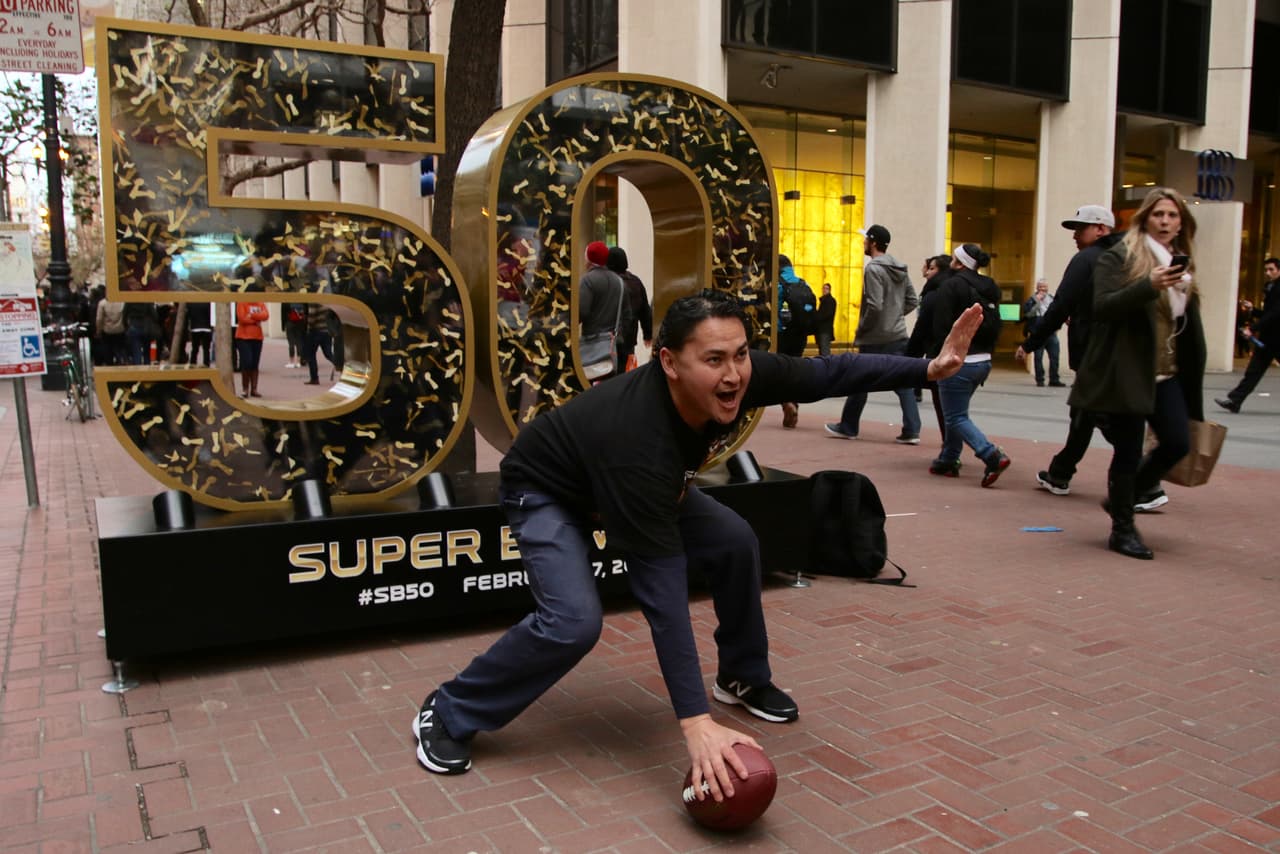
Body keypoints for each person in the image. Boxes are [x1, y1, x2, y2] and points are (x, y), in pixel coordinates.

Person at [412, 291, 984, 795]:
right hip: (548, 489)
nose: (733, 374)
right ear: (669, 362)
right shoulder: (637, 439)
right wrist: (694, 722)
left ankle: (742, 675)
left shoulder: (743, 374)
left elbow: (832, 373)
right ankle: (451, 710)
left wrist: (927, 369)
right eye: (713, 360)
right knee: (572, 623)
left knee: (735, 540)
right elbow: (662, 596)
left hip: (635, 484)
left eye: (739, 354)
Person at [1070, 187, 1205, 560]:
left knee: (1178, 441)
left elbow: (1187, 322)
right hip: (1127, 370)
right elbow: (1103, 306)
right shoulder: (1122, 256)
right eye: (1158, 214)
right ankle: (1123, 529)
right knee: (1128, 451)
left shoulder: (1181, 260)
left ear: (1181, 222)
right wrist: (1149, 285)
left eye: (1172, 215)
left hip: (1167, 370)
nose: (1165, 222)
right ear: (1146, 218)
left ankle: (1122, 499)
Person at [1017, 204, 1121, 496]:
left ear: (1100, 229)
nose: (1074, 235)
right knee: (1084, 415)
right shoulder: (1126, 258)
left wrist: (1030, 342)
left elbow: (1061, 304)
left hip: (1093, 352)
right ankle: (1060, 472)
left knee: (1104, 419)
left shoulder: (1086, 260)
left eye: (1080, 228)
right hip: (1117, 352)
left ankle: (1145, 482)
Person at [824, 225, 920, 443]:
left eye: (866, 239)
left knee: (858, 379)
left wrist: (863, 328)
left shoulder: (873, 269)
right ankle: (912, 430)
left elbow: (875, 305)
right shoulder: (900, 269)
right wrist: (895, 316)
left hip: (875, 337)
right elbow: (912, 300)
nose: (863, 243)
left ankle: (848, 426)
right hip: (897, 334)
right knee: (902, 382)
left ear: (873, 243)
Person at [926, 244, 1010, 486]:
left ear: (959, 262)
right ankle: (948, 458)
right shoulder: (990, 286)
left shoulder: (951, 286)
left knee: (955, 416)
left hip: (958, 360)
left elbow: (941, 327)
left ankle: (991, 455)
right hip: (983, 360)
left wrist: (938, 359)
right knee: (956, 411)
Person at [1216, 257, 1280, 413]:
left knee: (1254, 371)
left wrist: (1252, 328)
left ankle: (1235, 400)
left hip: (1278, 339)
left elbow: (1275, 314)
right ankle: (1235, 401)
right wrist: (1253, 310)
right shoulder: (1270, 286)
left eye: (1271, 269)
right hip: (1267, 339)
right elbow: (1267, 314)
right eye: (1266, 270)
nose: (1267, 273)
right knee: (1253, 371)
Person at [907, 255, 954, 439]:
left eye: (932, 268)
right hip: (959, 355)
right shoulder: (951, 290)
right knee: (954, 410)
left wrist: (911, 355)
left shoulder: (934, 294)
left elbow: (922, 328)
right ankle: (950, 449)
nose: (927, 272)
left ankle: (982, 450)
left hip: (939, 354)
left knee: (946, 409)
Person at [775, 254, 816, 427]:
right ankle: (794, 403)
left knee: (780, 370)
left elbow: (773, 310)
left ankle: (786, 402)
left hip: (783, 334)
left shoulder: (778, 285)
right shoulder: (803, 283)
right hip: (801, 334)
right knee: (795, 369)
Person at [579, 240, 630, 379]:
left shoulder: (587, 280)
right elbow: (627, 314)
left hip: (591, 344)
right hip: (613, 345)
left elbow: (581, 312)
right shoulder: (619, 282)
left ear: (588, 258)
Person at [606, 246, 653, 371]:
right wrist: (647, 334)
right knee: (625, 371)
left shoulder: (607, 282)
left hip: (607, 337)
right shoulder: (635, 282)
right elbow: (645, 311)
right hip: (629, 337)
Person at [1021, 279, 1062, 387]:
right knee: (1038, 357)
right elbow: (1028, 314)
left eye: (1045, 287)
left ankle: (1054, 379)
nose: (1043, 290)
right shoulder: (1031, 300)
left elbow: (1058, 312)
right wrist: (1037, 302)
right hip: (1037, 332)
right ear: (1037, 288)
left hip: (1051, 333)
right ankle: (1040, 379)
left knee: (1054, 356)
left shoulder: (1052, 299)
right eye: (1041, 287)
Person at [234, 299, 269, 397]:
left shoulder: (260, 303)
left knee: (255, 363)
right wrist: (257, 319)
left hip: (257, 337)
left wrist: (251, 315)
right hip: (243, 337)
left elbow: (266, 315)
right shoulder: (242, 302)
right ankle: (245, 389)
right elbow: (242, 318)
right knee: (247, 362)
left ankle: (254, 389)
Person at [302, 300, 337, 385]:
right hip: (326, 330)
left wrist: (308, 325)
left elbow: (312, 316)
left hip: (316, 331)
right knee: (328, 353)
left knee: (311, 355)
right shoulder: (325, 299)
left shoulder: (313, 300)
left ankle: (314, 378)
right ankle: (340, 364)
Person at [186, 302, 212, 367]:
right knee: (206, 349)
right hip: (206, 328)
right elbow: (210, 315)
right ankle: (206, 364)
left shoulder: (191, 303)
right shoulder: (208, 303)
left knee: (195, 348)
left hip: (195, 328)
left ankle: (193, 363)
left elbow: (189, 315)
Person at [815, 283, 836, 356]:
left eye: (826, 288)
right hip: (822, 330)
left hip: (825, 330)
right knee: (823, 351)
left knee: (825, 352)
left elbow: (827, 314)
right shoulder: (824, 300)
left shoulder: (830, 301)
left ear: (830, 290)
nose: (824, 290)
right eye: (823, 288)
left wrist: (816, 317)